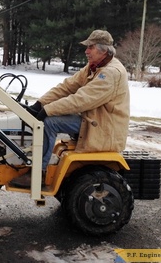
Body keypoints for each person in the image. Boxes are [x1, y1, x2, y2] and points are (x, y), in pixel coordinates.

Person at [10, 29, 130, 188]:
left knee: (50, 122)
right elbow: (67, 87)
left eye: (90, 47)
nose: (86, 51)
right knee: (48, 118)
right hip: (93, 118)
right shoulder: (94, 66)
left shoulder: (111, 73)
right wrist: (39, 104)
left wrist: (47, 110)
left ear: (104, 50)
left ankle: (38, 173)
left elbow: (81, 100)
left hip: (103, 125)